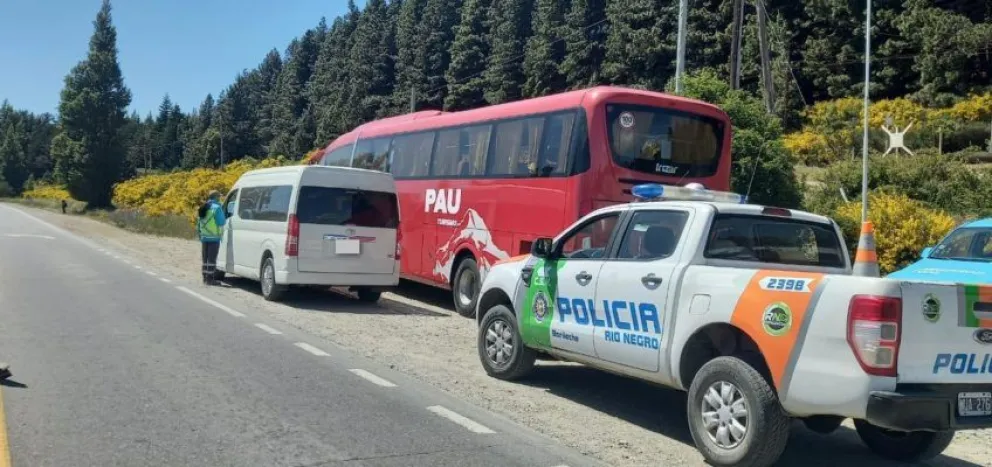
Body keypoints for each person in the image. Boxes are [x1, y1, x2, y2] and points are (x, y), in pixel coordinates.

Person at [197, 190, 227, 285]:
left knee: (205, 259)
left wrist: (200, 234)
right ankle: (210, 280)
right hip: (214, 237)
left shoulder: (203, 207)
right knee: (211, 260)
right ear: (216, 197)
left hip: (204, 237)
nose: (220, 198)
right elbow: (221, 222)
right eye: (219, 196)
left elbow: (198, 223)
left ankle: (205, 278)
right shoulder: (217, 208)